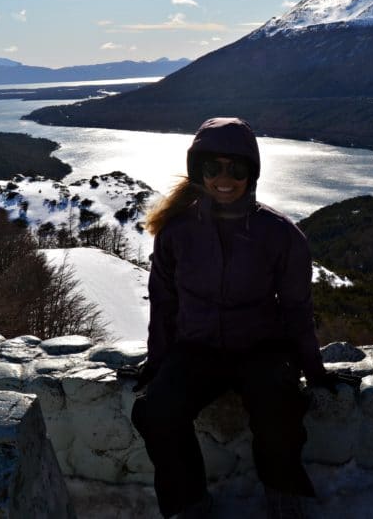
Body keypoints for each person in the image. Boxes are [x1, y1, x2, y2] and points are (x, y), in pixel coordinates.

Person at [130, 117, 336, 519]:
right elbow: (164, 302)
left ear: (251, 173)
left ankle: (282, 494)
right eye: (213, 168)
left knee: (280, 408)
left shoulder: (280, 235)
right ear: (198, 171)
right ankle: (190, 504)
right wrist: (157, 363)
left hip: (260, 346)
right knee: (157, 413)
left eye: (236, 168)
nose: (224, 179)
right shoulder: (176, 233)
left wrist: (314, 369)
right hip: (196, 348)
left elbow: (296, 309)